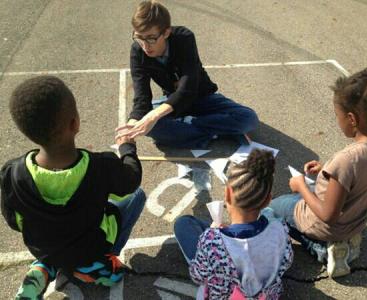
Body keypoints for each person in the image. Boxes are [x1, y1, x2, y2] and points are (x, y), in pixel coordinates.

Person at [0, 76, 146, 298]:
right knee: (138, 196)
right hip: (89, 247)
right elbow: (132, 179)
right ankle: (92, 266)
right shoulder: (101, 166)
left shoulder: (12, 173)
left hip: (46, 247)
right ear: (74, 123)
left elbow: (14, 222)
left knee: (52, 235)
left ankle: (44, 266)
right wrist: (127, 148)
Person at [267, 67, 367, 278]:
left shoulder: (347, 159)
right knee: (303, 193)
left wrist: (300, 185)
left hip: (329, 224)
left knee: (271, 210)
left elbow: (327, 215)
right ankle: (347, 239)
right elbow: (358, 174)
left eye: (338, 115)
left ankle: (323, 249)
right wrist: (326, 170)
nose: (338, 120)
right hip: (357, 218)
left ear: (352, 119)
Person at [116, 0, 259, 149]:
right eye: (139, 37)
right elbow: (142, 97)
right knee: (147, 126)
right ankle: (220, 131)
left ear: (166, 32)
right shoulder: (137, 52)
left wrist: (153, 116)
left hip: (202, 96)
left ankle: (190, 128)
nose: (145, 45)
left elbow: (188, 88)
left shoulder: (184, 38)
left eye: (151, 38)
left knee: (249, 119)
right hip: (172, 101)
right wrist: (132, 125)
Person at [174, 149, 293, 299]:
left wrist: (211, 235)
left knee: (183, 223)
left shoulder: (211, 241)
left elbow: (197, 275)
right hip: (266, 295)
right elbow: (286, 261)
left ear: (227, 194)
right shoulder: (280, 230)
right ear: (267, 200)